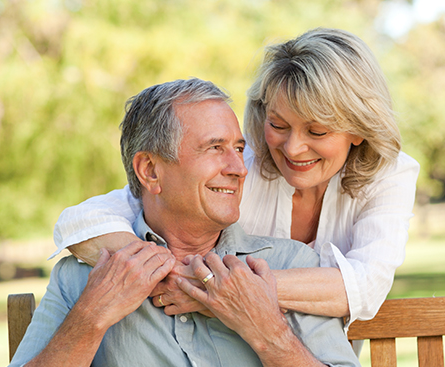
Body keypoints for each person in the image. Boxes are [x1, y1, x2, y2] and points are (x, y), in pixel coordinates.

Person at [0, 78, 379, 367]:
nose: (238, 169)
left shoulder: (289, 265)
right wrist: (92, 316)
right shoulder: (88, 277)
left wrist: (266, 328)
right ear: (150, 171)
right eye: (214, 149)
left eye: (239, 149)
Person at [51, 28, 420, 328]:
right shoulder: (239, 167)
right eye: (278, 125)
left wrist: (226, 290)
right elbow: (81, 222)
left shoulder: (390, 174)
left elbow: (367, 287)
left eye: (317, 132)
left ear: (358, 130)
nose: (292, 148)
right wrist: (178, 275)